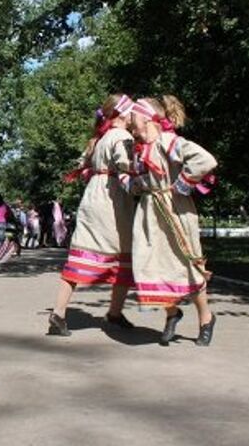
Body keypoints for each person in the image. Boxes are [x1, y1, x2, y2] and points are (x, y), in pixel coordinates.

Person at [126, 95, 218, 346]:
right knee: (152, 266)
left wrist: (182, 184)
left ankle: (206, 319)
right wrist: (134, 185)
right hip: (149, 214)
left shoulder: (169, 142)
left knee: (187, 266)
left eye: (134, 120)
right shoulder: (139, 150)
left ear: (147, 119)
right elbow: (143, 183)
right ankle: (172, 312)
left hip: (175, 211)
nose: (131, 126)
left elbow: (206, 160)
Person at [48, 94, 138, 337]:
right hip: (112, 200)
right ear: (122, 114)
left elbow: (83, 162)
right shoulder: (122, 136)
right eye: (132, 112)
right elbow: (126, 164)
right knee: (122, 255)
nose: (135, 116)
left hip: (93, 197)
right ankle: (114, 313)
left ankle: (59, 312)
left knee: (81, 254)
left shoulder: (100, 139)